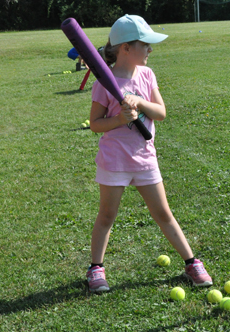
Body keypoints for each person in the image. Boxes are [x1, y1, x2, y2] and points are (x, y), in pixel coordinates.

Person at [86, 14, 213, 293]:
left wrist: (141, 102)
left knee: (164, 214)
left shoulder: (147, 74)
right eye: (145, 45)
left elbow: (162, 112)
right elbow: (96, 124)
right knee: (106, 215)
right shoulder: (103, 84)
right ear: (125, 49)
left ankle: (191, 262)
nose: (150, 50)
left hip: (145, 158)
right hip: (114, 160)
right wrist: (119, 119)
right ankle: (96, 269)